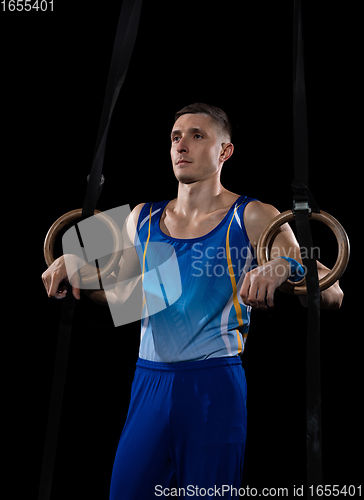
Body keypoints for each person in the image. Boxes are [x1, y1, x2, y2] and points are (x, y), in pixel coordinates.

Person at [42, 103, 343, 499]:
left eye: (197, 135)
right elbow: (74, 260)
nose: (182, 144)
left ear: (224, 151)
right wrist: (71, 257)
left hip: (213, 387)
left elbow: (334, 293)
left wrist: (286, 266)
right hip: (148, 384)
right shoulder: (139, 218)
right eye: (175, 136)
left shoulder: (253, 215)